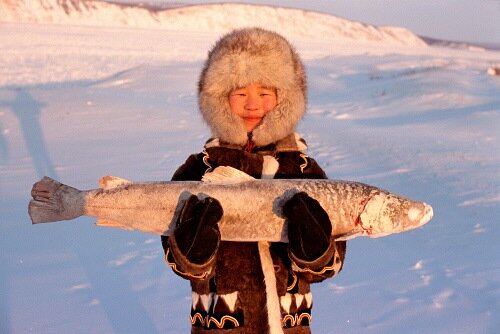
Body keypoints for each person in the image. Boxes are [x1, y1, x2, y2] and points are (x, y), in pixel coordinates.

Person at [161, 27, 346, 334]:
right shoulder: (200, 170)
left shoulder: (302, 171)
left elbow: (331, 264)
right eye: (240, 93)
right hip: (222, 324)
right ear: (219, 98)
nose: (252, 105)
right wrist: (192, 250)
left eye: (265, 94)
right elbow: (177, 258)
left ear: (285, 98)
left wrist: (316, 249)